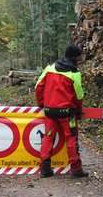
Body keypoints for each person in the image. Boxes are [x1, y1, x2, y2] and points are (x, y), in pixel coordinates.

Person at [35, 42, 88, 178]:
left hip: (50, 111)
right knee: (70, 138)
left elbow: (38, 87)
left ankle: (45, 169)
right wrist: (78, 110)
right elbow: (79, 95)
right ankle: (76, 170)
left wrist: (42, 103)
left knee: (48, 137)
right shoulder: (75, 73)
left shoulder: (50, 68)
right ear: (74, 57)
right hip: (67, 113)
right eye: (79, 57)